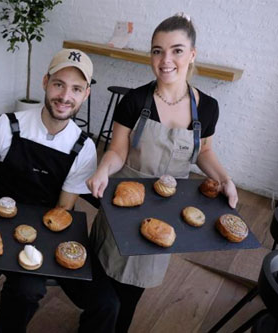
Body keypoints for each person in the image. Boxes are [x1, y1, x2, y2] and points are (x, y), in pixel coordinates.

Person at [86, 13, 239, 332]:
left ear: (192, 54)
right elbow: (117, 150)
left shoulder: (207, 108)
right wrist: (103, 170)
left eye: (177, 50)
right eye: (157, 50)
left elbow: (204, 151)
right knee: (104, 279)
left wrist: (224, 179)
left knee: (134, 287)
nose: (166, 59)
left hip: (165, 212)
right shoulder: (135, 100)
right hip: (122, 204)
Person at [0, 49, 117, 332]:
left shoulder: (83, 146)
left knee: (106, 304)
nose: (65, 96)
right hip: (4, 222)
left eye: (76, 89)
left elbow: (64, 208)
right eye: (59, 84)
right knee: (27, 289)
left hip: (51, 225)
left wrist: (45, 244)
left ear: (86, 95)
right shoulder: (8, 126)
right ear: (45, 82)